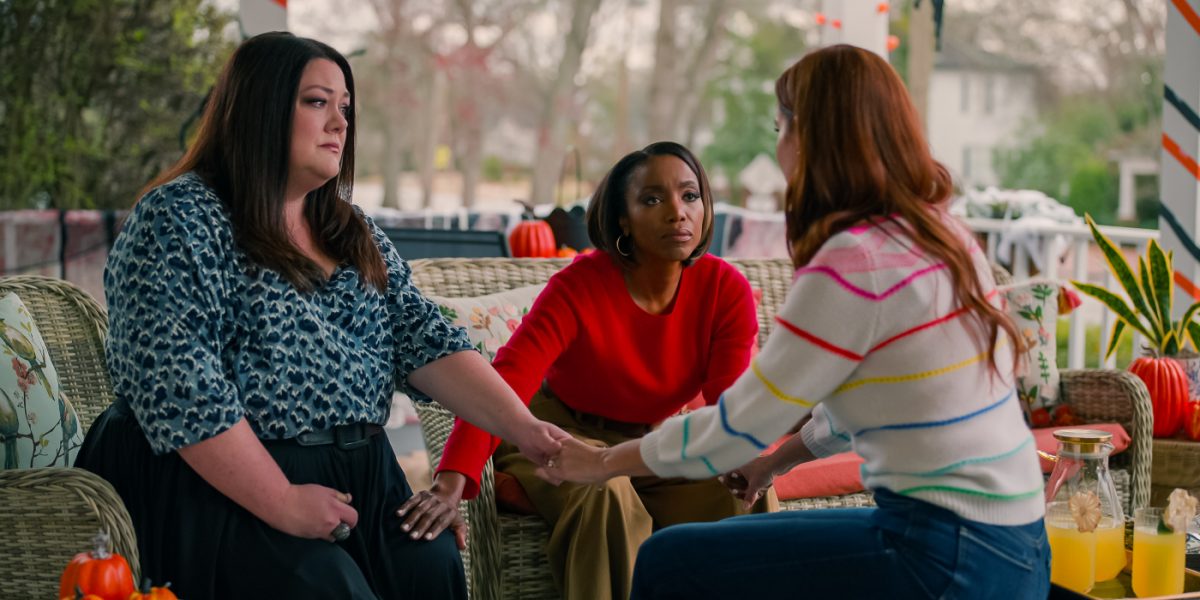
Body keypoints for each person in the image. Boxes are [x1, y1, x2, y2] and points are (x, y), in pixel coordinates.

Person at [538, 45, 1051, 599]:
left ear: (811, 138)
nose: (778, 145)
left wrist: (602, 462)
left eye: (780, 128)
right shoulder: (940, 235)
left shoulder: (855, 262)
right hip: (1019, 545)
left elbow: (737, 426)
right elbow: (874, 399)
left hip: (944, 558)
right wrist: (775, 464)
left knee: (669, 560)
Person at [74, 32, 566, 600]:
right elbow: (180, 387)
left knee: (430, 567)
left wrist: (529, 432)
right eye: (316, 102)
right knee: (325, 585)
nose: (339, 123)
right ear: (259, 110)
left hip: (360, 476)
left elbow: (427, 340)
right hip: (216, 481)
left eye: (345, 108)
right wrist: (282, 500)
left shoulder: (349, 227)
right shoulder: (179, 217)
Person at [399, 141, 775, 600]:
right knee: (606, 491)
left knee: (738, 490)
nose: (678, 212)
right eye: (652, 199)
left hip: (653, 441)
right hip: (556, 436)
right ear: (622, 219)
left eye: (690, 196)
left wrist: (748, 452)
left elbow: (730, 403)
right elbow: (508, 380)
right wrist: (450, 482)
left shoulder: (725, 289)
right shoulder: (578, 286)